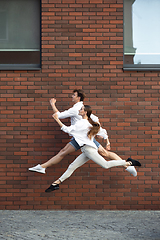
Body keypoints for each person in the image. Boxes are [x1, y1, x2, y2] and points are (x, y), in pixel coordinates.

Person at [29, 89, 136, 176]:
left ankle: (128, 165)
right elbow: (95, 119)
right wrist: (103, 136)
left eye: (73, 95)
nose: (72, 96)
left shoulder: (77, 109)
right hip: (82, 138)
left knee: (103, 154)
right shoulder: (82, 108)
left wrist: (52, 105)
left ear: (78, 97)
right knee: (102, 153)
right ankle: (42, 167)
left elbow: (59, 115)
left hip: (83, 138)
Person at [45, 105, 141, 192]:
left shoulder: (82, 123)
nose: (79, 110)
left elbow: (67, 130)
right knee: (72, 166)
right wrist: (107, 141)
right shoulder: (87, 123)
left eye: (81, 109)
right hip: (87, 150)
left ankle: (129, 162)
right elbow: (101, 132)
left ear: (85, 112)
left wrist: (57, 119)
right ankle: (56, 184)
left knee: (106, 165)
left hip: (88, 150)